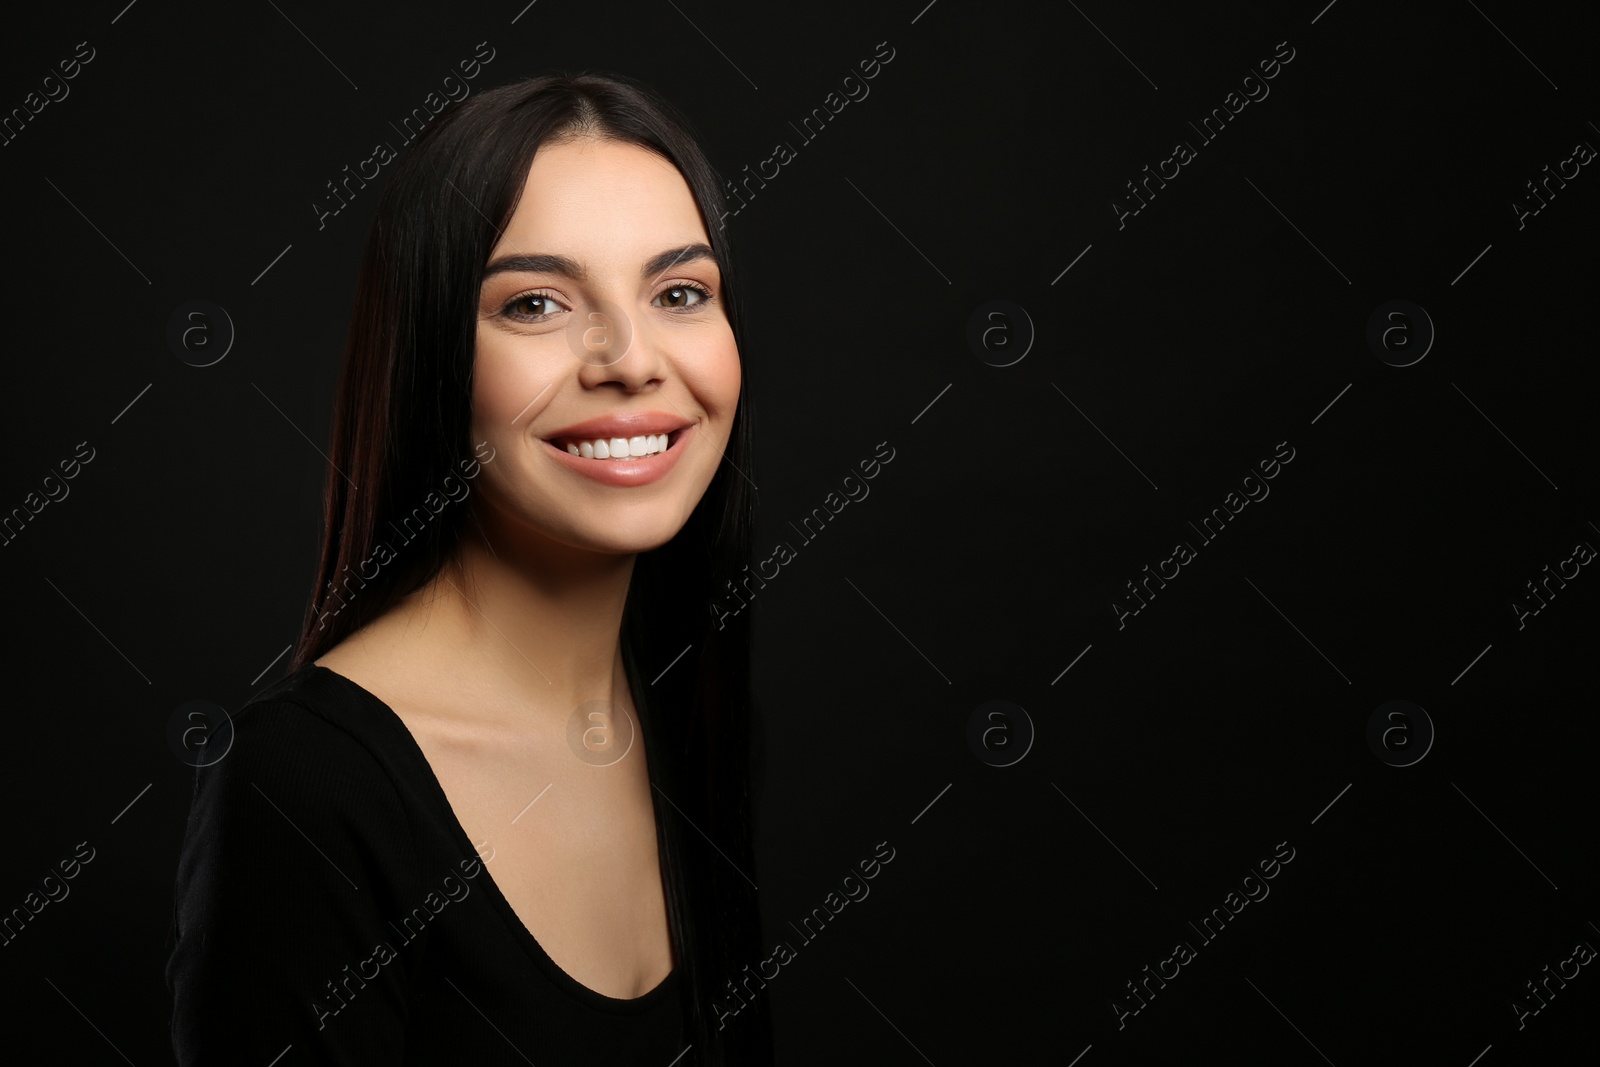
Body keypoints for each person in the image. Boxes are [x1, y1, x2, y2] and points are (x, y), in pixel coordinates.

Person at [165, 72, 771, 1066]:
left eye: (679, 292)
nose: (629, 357)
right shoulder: (304, 787)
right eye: (535, 302)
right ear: (431, 355)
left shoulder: (675, 688)